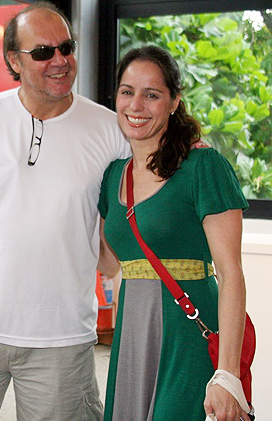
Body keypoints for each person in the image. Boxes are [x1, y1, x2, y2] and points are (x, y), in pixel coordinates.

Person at [0, 2, 130, 420]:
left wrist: (191, 144)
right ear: (14, 60)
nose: (60, 61)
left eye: (66, 47)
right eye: (43, 52)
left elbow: (152, 173)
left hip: (62, 341)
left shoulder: (110, 130)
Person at [98, 45, 251, 421]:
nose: (137, 105)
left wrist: (228, 374)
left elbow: (231, 273)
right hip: (132, 336)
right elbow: (108, 263)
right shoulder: (112, 176)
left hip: (188, 334)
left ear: (173, 102)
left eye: (152, 94)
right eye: (127, 92)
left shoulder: (204, 167)